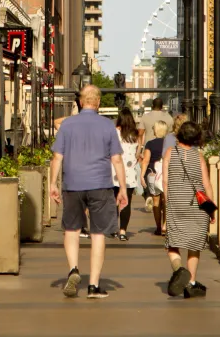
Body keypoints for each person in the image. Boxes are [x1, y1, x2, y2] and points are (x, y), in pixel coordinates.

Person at [49, 84, 128, 299]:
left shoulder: (67, 125)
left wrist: (52, 184)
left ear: (81, 102)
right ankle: (93, 285)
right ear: (99, 102)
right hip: (100, 185)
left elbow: (57, 157)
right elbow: (117, 159)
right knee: (98, 233)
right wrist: (122, 187)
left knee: (72, 230)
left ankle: (74, 269)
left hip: (72, 184)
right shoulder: (107, 126)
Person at [162, 121, 213, 299]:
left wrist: (167, 204)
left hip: (176, 203)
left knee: (173, 243)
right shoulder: (199, 157)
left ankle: (179, 270)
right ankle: (191, 283)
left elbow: (165, 182)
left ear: (179, 135)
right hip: (196, 206)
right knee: (194, 246)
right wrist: (211, 209)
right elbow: (206, 184)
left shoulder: (169, 153)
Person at [113, 106, 141, 241]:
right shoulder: (135, 135)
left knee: (114, 200)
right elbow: (137, 154)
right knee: (126, 202)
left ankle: (113, 228)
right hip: (129, 174)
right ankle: (123, 231)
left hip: (114, 172)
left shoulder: (114, 133)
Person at [140, 120, 168, 235]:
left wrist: (142, 176)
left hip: (153, 174)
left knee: (156, 201)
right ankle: (166, 226)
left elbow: (146, 161)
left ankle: (158, 227)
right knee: (166, 200)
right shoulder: (170, 144)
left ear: (155, 130)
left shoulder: (150, 144)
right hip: (166, 174)